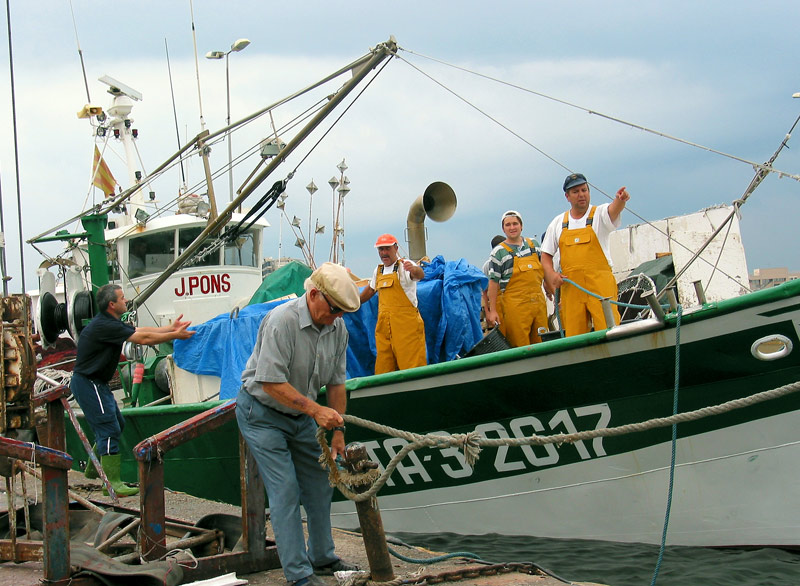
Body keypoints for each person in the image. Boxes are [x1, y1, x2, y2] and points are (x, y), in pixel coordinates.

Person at [236, 262, 361, 586]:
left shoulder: (337, 328)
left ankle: (322, 557)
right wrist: (316, 411)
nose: (337, 318)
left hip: (301, 415)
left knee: (321, 481)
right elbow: (270, 383)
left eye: (342, 313)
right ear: (314, 294)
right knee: (285, 490)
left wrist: (337, 433)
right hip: (262, 415)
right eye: (334, 310)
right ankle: (299, 575)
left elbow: (336, 383)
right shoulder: (282, 321)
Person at [70, 284, 195, 496]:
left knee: (116, 423)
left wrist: (171, 328)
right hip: (88, 383)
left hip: (96, 383)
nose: (126, 301)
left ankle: (94, 469)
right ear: (112, 304)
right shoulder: (105, 326)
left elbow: (140, 331)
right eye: (122, 298)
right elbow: (143, 339)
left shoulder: (110, 322)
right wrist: (175, 336)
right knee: (108, 428)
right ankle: (112, 484)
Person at [541, 172, 630, 337]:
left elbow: (613, 210)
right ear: (567, 196)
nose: (581, 195)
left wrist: (620, 200)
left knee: (610, 330)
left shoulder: (600, 214)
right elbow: (545, 256)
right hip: (572, 289)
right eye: (575, 192)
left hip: (601, 286)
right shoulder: (558, 223)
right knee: (575, 336)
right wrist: (552, 275)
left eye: (584, 190)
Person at [359, 233, 427, 373]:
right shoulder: (378, 271)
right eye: (380, 249)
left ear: (396, 248)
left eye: (387, 249)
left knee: (412, 367)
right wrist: (352, 304)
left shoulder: (405, 266)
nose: (384, 253)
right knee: (384, 368)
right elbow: (371, 290)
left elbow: (419, 275)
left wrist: (414, 269)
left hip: (406, 327)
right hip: (384, 328)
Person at [485, 211, 549, 346]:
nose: (512, 227)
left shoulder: (534, 245)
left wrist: (553, 292)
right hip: (515, 307)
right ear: (503, 229)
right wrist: (493, 311)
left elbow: (546, 270)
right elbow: (493, 282)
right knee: (520, 346)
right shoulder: (498, 252)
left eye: (515, 224)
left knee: (542, 342)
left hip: (539, 302)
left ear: (521, 226)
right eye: (508, 225)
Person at [481, 234, 506, 327]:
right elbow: (484, 291)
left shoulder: (510, 259)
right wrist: (488, 312)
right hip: (497, 305)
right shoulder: (488, 265)